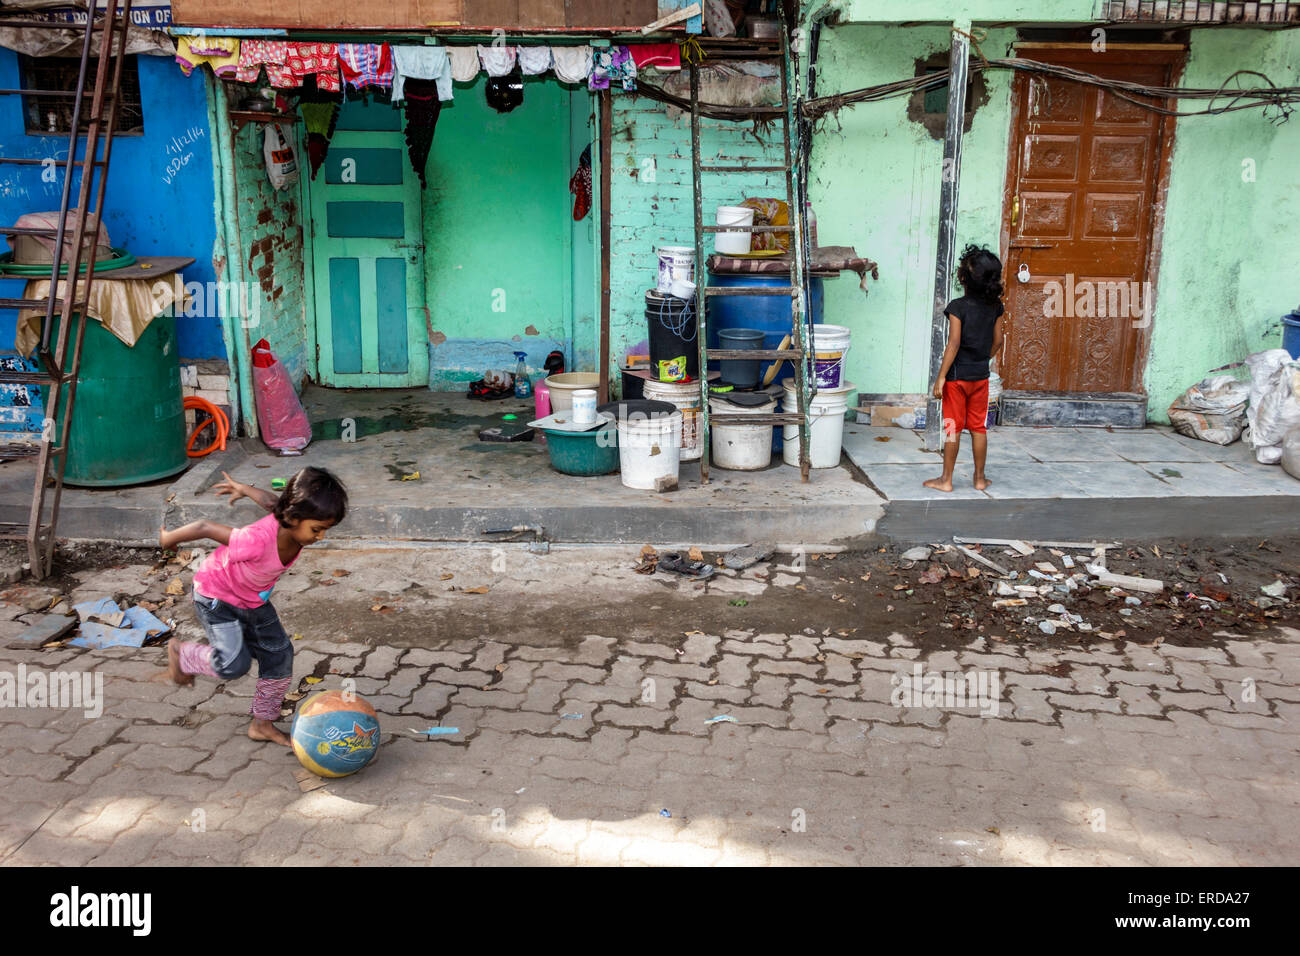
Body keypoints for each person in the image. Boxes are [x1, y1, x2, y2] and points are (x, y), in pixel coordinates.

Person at [158, 467, 348, 746]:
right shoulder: (256, 541)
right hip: (217, 598)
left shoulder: (290, 519)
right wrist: (168, 540)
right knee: (234, 665)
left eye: (324, 530)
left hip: (252, 600)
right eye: (317, 530)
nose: (319, 537)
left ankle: (262, 724)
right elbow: (204, 528)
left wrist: (244, 489)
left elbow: (272, 501)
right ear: (293, 518)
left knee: (280, 655)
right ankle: (183, 655)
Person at [924, 244, 1006, 493]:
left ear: (964, 278)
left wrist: (941, 377)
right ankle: (979, 479)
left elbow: (954, 343)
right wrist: (984, 359)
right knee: (978, 429)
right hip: (980, 377)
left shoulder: (958, 307)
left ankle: (946, 480)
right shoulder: (996, 307)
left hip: (956, 379)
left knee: (952, 427)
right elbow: (998, 341)